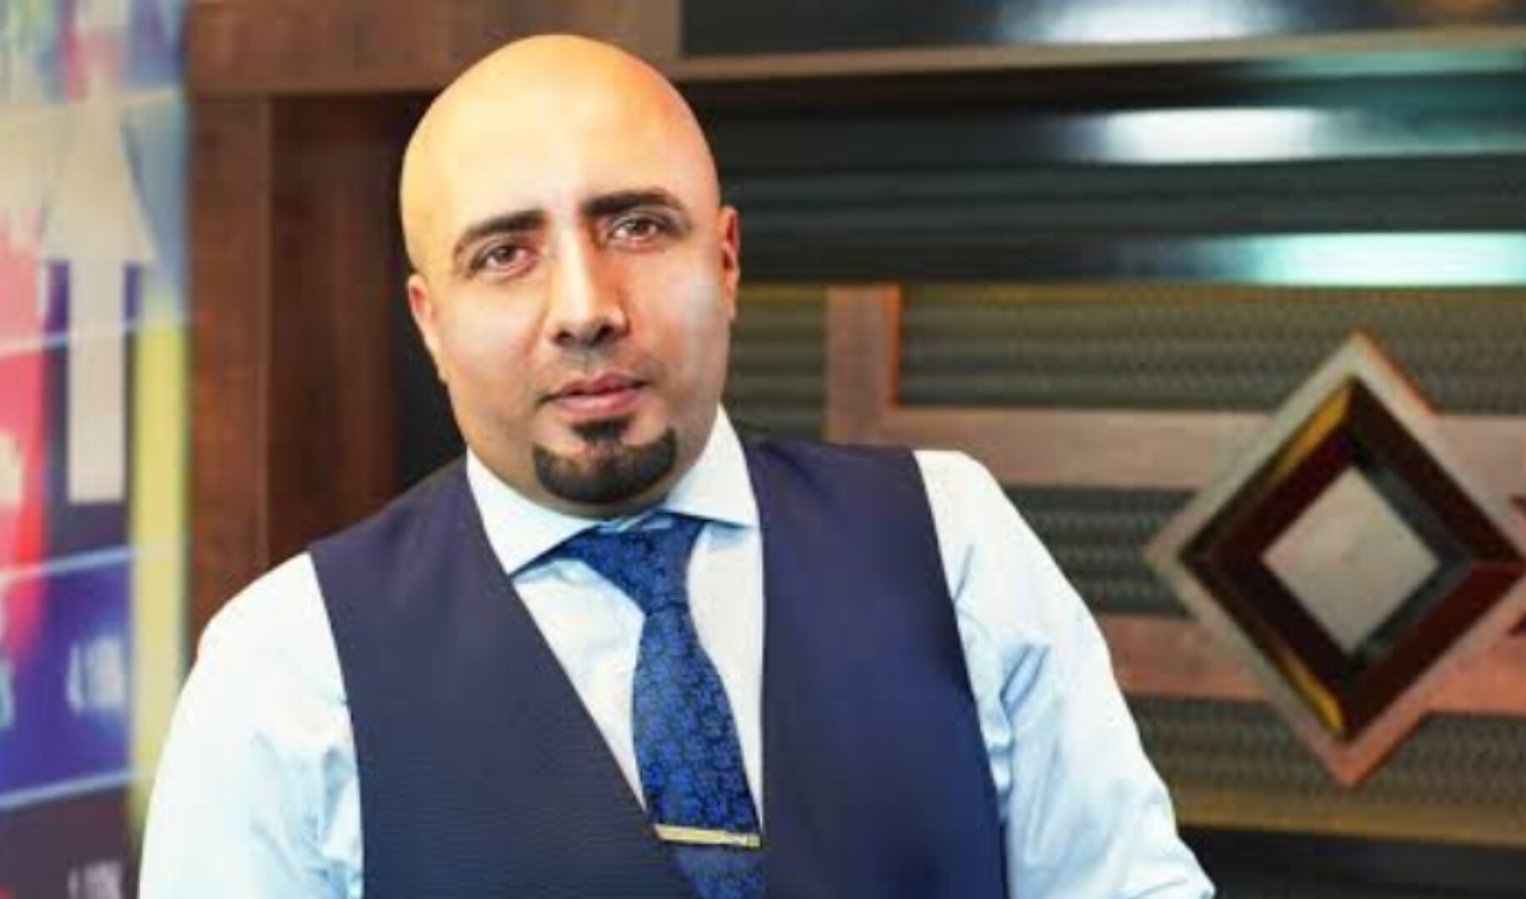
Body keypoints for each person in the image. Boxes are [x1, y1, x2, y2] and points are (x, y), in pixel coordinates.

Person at [141, 34, 1212, 899]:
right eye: (504, 254)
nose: (584, 309)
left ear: (726, 259)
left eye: (638, 226)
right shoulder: (285, 666)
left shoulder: (953, 539)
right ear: (430, 318)